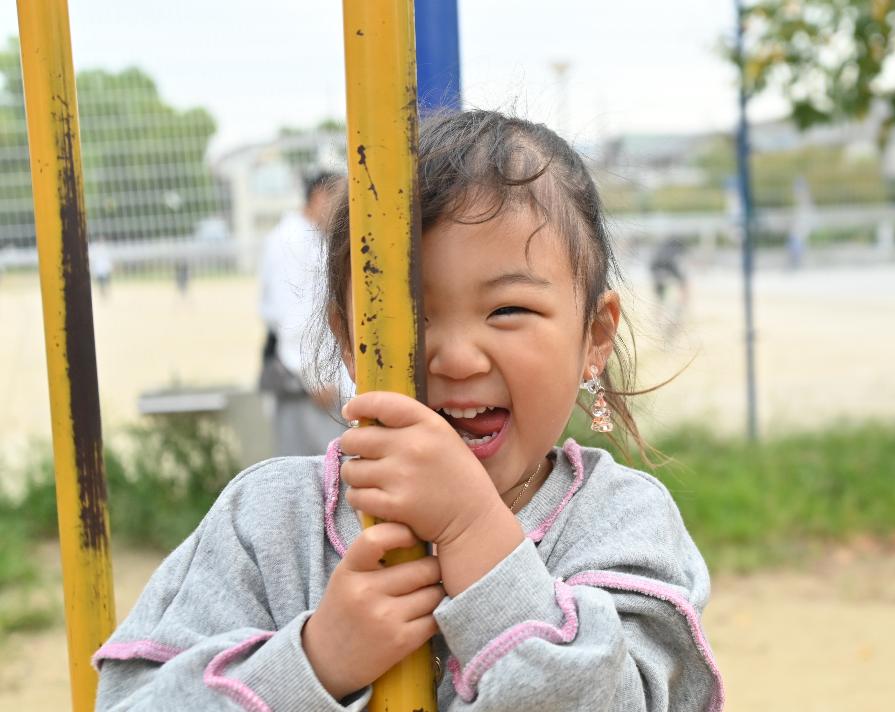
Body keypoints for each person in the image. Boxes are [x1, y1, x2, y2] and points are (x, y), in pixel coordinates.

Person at [93, 110, 723, 710]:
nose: (455, 358)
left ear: (594, 337)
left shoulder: (620, 525)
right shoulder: (268, 524)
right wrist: (312, 663)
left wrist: (472, 531)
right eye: (409, 316)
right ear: (349, 337)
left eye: (508, 310)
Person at [258, 172, 346, 457]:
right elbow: (293, 314)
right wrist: (314, 376)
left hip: (314, 373)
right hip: (306, 378)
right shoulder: (294, 240)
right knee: (313, 472)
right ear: (320, 197)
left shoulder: (310, 238)